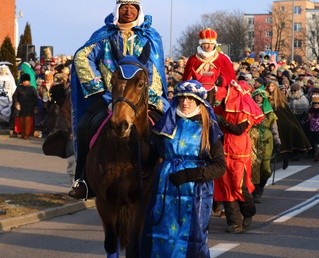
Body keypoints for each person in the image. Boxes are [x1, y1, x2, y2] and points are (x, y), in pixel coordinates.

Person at [69, 0, 167, 199]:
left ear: (139, 10)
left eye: (133, 6)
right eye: (124, 6)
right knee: (83, 127)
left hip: (142, 97)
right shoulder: (104, 36)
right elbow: (81, 56)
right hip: (109, 97)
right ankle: (83, 180)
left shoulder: (150, 37)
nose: (128, 10)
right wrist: (97, 88)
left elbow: (156, 69)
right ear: (117, 9)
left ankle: (166, 179)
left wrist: (150, 96)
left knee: (167, 128)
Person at [142, 80, 225, 257]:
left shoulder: (208, 126)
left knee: (193, 239)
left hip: (195, 191)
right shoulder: (168, 123)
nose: (185, 102)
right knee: (161, 235)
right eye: (181, 98)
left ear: (198, 101)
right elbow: (151, 155)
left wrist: (190, 174)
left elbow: (220, 166)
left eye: (190, 98)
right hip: (165, 188)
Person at [213, 80, 264, 234]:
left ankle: (248, 212)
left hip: (239, 149)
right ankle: (234, 222)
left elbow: (238, 130)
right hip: (224, 148)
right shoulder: (224, 107)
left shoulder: (245, 109)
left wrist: (224, 122)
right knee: (225, 185)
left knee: (238, 185)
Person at [182, 28, 236, 106]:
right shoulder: (193, 59)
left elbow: (230, 78)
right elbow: (186, 79)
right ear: (201, 44)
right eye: (206, 44)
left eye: (211, 44)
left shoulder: (222, 58)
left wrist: (221, 80)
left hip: (218, 90)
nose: (209, 46)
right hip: (197, 89)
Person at [266, 79, 311, 169]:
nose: (270, 88)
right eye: (269, 86)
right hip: (267, 121)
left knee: (283, 137)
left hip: (279, 121)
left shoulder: (279, 99)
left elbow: (285, 113)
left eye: (272, 86)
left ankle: (285, 157)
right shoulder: (265, 97)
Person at [249, 88, 281, 203]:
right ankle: (255, 191)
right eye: (256, 95)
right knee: (253, 166)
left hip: (266, 141)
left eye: (260, 96)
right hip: (251, 139)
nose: (258, 97)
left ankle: (261, 187)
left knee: (265, 167)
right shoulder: (249, 110)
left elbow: (274, 128)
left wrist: (277, 142)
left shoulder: (269, 113)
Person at [12, 74, 38, 139]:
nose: (25, 82)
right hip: (21, 107)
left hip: (29, 107)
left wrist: (35, 106)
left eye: (26, 81)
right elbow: (14, 96)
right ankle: (23, 134)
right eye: (24, 81)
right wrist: (16, 103)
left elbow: (36, 98)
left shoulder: (32, 88)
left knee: (27, 121)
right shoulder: (18, 88)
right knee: (21, 121)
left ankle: (27, 134)